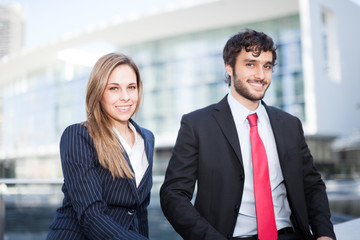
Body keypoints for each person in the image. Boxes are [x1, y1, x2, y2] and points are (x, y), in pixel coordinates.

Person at [160, 29, 336, 240]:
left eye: (267, 66)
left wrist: (324, 234)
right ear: (230, 68)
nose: (260, 75)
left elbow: (312, 185)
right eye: (250, 64)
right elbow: (174, 195)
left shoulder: (290, 125)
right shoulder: (197, 124)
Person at [47, 53, 154, 240]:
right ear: (98, 92)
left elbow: (140, 211)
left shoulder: (147, 138)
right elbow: (91, 215)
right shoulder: (78, 136)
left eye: (131, 87)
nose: (126, 97)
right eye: (114, 88)